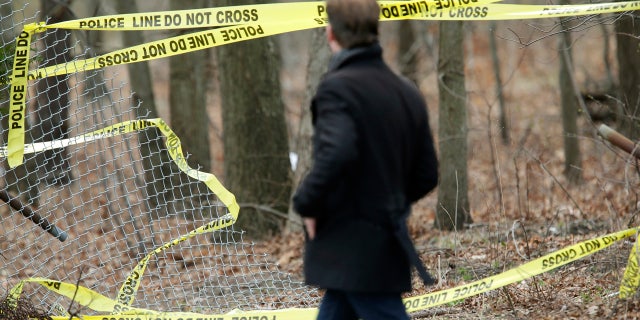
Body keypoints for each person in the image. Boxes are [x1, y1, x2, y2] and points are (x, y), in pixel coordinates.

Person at [292, 0, 439, 318]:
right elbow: (427, 174)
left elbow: (337, 153)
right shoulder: (406, 91)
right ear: (377, 32)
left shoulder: (337, 89)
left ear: (331, 33)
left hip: (355, 245)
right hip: (377, 243)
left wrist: (306, 203)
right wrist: (388, 203)